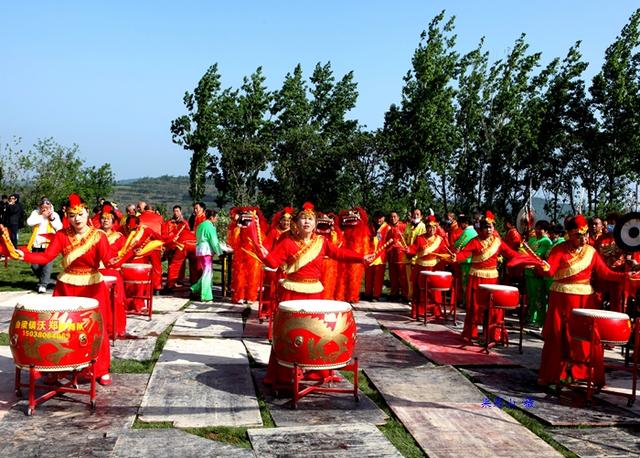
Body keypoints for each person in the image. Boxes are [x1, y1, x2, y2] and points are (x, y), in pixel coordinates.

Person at [254, 202, 373, 386]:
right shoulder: (287, 242)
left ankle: (318, 372)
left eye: (310, 219)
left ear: (316, 223)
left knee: (319, 333)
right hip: (291, 293)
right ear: (296, 222)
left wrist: (361, 258)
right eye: (303, 218)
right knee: (288, 336)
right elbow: (273, 262)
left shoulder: (322, 242)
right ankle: (283, 376)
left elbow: (339, 254)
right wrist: (260, 249)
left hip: (315, 293)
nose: (307, 222)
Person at [16, 193, 113, 385]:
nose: (76, 219)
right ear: (66, 216)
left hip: (93, 286)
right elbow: (45, 258)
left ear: (87, 214)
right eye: (71, 215)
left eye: (80, 214)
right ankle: (58, 368)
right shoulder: (62, 235)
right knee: (61, 328)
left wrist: (121, 258)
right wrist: (23, 255)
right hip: (66, 285)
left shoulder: (98, 236)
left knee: (96, 328)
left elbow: (109, 260)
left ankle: (100, 369)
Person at [537, 215, 632, 388]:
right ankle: (552, 374)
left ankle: (581, 373)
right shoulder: (559, 249)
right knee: (558, 337)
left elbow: (605, 273)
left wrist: (625, 276)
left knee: (583, 339)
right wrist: (543, 267)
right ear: (569, 235)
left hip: (584, 301)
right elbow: (550, 272)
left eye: (585, 234)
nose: (583, 238)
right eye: (578, 235)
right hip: (561, 299)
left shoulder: (591, 252)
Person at [455, 211, 521, 343]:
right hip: (476, 278)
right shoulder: (475, 241)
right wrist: (455, 257)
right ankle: (471, 333)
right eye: (486, 227)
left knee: (493, 308)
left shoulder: (498, 242)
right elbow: (464, 254)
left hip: (492, 278)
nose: (489, 230)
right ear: (481, 228)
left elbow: (510, 253)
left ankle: (492, 334)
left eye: (491, 227)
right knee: (474, 306)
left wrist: (526, 259)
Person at [404, 215, 451, 319]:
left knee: (435, 291)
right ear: (426, 227)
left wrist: (449, 257)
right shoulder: (420, 238)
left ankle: (436, 312)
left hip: (434, 268)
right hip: (420, 267)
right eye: (430, 227)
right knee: (419, 290)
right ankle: (417, 311)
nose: (432, 229)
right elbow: (414, 249)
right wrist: (408, 250)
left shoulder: (440, 239)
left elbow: (445, 253)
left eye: (434, 227)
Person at [26, 197, 63, 293]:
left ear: (50, 207)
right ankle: (46, 280)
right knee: (34, 266)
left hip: (50, 244)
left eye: (47, 207)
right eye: (43, 207)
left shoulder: (54, 214)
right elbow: (29, 222)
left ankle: (43, 285)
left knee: (47, 265)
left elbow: (59, 228)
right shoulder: (36, 213)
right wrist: (42, 216)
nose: (45, 209)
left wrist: (52, 218)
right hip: (36, 243)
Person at [523, 220, 553, 327]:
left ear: (545, 231)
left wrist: (526, 253)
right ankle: (531, 316)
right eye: (536, 228)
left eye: (540, 228)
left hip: (537, 274)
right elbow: (522, 252)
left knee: (539, 297)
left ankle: (538, 320)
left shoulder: (546, 242)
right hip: (528, 272)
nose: (537, 230)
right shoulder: (532, 239)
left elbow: (538, 255)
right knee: (531, 297)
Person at [191, 209, 223, 302]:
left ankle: (195, 288)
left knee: (206, 271)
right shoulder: (210, 226)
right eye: (215, 217)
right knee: (207, 273)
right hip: (206, 250)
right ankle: (206, 296)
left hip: (199, 249)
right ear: (212, 217)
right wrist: (219, 252)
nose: (216, 219)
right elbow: (214, 240)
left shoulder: (201, 225)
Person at [162, 205, 197, 290]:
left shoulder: (184, 223)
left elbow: (188, 233)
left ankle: (180, 280)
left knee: (180, 263)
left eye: (177, 211)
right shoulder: (169, 223)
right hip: (172, 244)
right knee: (173, 263)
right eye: (174, 211)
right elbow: (165, 234)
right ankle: (172, 282)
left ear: (180, 212)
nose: (176, 213)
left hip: (182, 245)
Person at [400, 208, 426, 301]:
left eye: (418, 214)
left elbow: (422, 243)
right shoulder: (408, 226)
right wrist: (405, 249)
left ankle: (417, 297)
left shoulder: (423, 227)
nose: (415, 216)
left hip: (417, 256)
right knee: (409, 278)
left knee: (417, 279)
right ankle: (410, 296)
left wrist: (413, 251)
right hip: (407, 256)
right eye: (414, 214)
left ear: (421, 216)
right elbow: (404, 239)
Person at [364, 211, 390, 302]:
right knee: (368, 276)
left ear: (384, 218)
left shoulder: (388, 228)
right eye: (377, 217)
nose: (379, 219)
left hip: (380, 256)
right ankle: (368, 293)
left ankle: (376, 295)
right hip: (370, 254)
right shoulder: (369, 227)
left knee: (378, 277)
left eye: (381, 217)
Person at [386, 210, 407, 300]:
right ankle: (394, 294)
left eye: (395, 216)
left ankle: (405, 294)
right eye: (391, 217)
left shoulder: (403, 226)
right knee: (393, 276)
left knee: (402, 276)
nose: (393, 218)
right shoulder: (388, 227)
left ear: (398, 217)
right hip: (391, 254)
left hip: (401, 254)